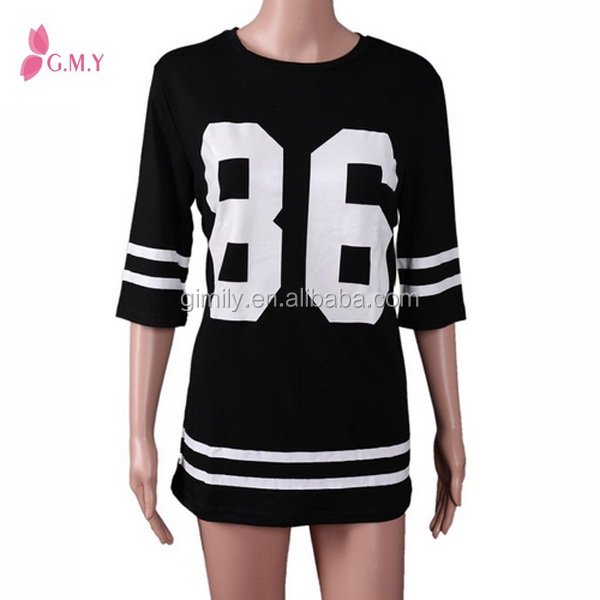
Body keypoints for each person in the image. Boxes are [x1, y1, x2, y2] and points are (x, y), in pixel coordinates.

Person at [117, 1, 467, 598]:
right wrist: (138, 433)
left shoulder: (411, 84)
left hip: (366, 436)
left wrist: (451, 425)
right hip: (234, 435)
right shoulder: (185, 79)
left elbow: (429, 275)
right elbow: (158, 269)